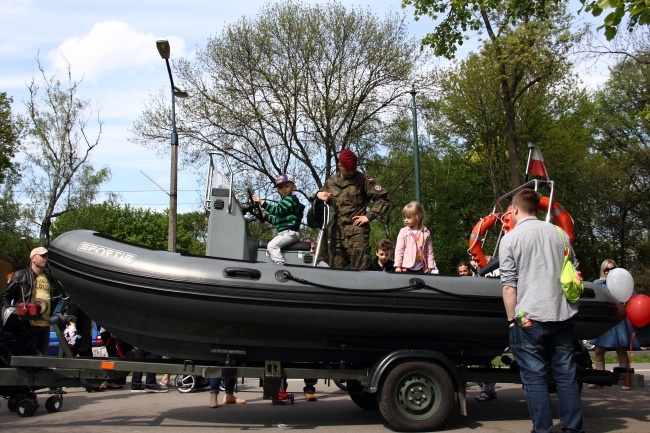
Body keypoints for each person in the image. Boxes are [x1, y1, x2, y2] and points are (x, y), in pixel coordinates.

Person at [499, 189, 583, 433]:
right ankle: (573, 429)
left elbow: (508, 285)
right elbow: (575, 270)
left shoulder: (511, 239)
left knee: (535, 378)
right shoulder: (559, 234)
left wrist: (511, 321)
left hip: (528, 317)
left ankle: (543, 429)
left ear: (514, 209)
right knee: (566, 375)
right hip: (562, 313)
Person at [315, 148, 390, 270]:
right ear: (340, 166)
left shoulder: (363, 180)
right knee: (335, 272)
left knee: (361, 270)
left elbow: (383, 199)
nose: (352, 172)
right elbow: (320, 197)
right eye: (348, 169)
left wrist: (369, 216)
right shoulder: (332, 182)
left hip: (357, 233)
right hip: (337, 234)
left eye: (354, 168)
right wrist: (318, 195)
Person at [588, 259, 640, 390]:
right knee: (599, 351)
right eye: (607, 269)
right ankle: (599, 380)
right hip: (604, 321)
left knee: (621, 350)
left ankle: (625, 380)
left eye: (612, 269)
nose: (609, 271)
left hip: (619, 321)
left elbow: (631, 297)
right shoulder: (598, 283)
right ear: (603, 270)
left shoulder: (622, 282)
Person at [2, 247, 64, 356]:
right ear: (33, 258)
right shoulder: (20, 275)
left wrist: (56, 313)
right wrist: (11, 313)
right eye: (42, 256)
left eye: (46, 256)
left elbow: (59, 297)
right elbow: (5, 296)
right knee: (26, 358)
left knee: (41, 358)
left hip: (45, 324)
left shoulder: (50, 278)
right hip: (26, 325)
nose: (46, 259)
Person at [252, 173, 304, 265]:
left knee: (271, 246)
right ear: (278, 190)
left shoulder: (290, 200)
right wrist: (265, 216)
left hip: (290, 232)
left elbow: (277, 211)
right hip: (287, 233)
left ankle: (281, 266)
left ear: (294, 187)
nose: (284, 189)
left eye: (287, 186)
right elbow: (277, 221)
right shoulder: (285, 202)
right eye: (280, 187)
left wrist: (261, 202)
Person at [394, 201, 437, 274]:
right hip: (406, 267)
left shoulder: (426, 232)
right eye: (405, 217)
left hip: (422, 267)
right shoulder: (403, 231)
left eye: (409, 217)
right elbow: (399, 250)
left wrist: (430, 266)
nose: (406, 220)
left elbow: (429, 251)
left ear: (418, 216)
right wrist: (398, 266)